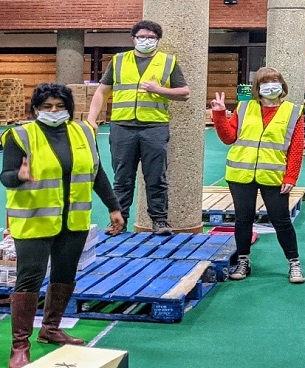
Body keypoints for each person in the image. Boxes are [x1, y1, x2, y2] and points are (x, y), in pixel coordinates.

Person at [1, 83, 125, 368]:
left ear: (69, 108)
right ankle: (20, 345)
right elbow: (6, 176)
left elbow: (96, 173)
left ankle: (51, 328)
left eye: (60, 106)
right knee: (29, 277)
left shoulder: (83, 132)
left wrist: (114, 207)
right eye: (47, 107)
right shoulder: (20, 135)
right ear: (36, 109)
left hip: (74, 219)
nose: (54, 111)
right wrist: (19, 176)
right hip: (34, 220)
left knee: (65, 275)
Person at [87, 20, 190, 235]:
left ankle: (159, 221)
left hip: (154, 127)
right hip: (122, 127)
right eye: (141, 37)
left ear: (157, 40)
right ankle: (119, 219)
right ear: (133, 38)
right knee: (122, 177)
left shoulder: (167, 61)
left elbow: (184, 93)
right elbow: (101, 92)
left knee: (156, 177)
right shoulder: (118, 61)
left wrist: (159, 90)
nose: (146, 41)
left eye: (151, 38)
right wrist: (91, 119)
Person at [211, 67, 305, 283]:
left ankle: (294, 263)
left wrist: (291, 177)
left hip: (274, 176)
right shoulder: (244, 108)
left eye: (275, 81)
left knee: (281, 220)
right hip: (240, 173)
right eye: (265, 82)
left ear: (282, 85)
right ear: (257, 88)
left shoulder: (293, 111)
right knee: (243, 219)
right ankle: (243, 260)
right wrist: (218, 115)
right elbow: (228, 138)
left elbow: (296, 148)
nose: (271, 85)